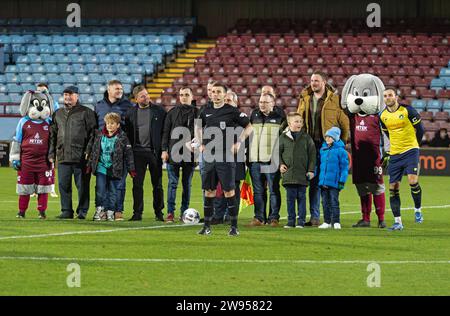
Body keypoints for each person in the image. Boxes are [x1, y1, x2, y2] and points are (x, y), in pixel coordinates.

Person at [196, 83, 253, 236]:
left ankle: (234, 227)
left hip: (226, 156)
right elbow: (198, 126)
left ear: (224, 94)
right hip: (209, 156)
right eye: (213, 92)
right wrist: (200, 142)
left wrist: (239, 141)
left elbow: (249, 127)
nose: (215, 94)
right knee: (209, 191)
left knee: (229, 191)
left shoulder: (232, 111)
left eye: (218, 92)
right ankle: (206, 227)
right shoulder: (205, 110)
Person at [296, 70, 349, 226]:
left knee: (325, 181)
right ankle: (314, 216)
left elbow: (344, 123)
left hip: (327, 146)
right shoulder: (305, 99)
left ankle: (325, 217)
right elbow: (299, 118)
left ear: (324, 82)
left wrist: (342, 142)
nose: (313, 83)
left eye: (317, 81)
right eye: (312, 80)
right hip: (309, 144)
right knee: (312, 180)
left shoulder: (335, 100)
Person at [49, 86, 97, 219]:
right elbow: (52, 135)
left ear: (77, 96)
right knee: (63, 185)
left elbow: (93, 133)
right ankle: (66, 211)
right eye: (65, 95)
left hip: (81, 156)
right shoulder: (57, 113)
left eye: (71, 94)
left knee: (82, 186)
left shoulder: (86, 112)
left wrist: (88, 150)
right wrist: (51, 153)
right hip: (63, 155)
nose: (68, 97)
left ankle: (82, 211)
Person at [381, 88, 425, 230]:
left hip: (411, 150)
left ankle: (417, 210)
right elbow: (387, 133)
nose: (388, 98)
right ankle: (398, 222)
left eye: (390, 95)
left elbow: (421, 128)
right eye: (385, 96)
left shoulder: (408, 110)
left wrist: (415, 144)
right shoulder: (382, 116)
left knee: (413, 180)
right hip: (395, 154)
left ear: (396, 97)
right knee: (393, 188)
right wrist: (390, 151)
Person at [125, 85, 166, 221]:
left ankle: (159, 213)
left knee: (158, 185)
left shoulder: (159, 111)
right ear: (136, 99)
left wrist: (164, 149)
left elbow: (165, 133)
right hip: (137, 154)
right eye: (142, 96)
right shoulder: (130, 113)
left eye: (147, 94)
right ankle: (137, 213)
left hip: (155, 153)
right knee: (137, 185)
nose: (146, 97)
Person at [10, 90, 54, 219]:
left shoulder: (49, 122)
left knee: (43, 188)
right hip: (26, 162)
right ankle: (21, 211)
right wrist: (15, 158)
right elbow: (17, 140)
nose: (40, 107)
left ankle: (42, 211)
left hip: (44, 162)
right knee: (24, 188)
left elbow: (53, 141)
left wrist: (52, 156)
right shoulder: (23, 121)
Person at [95, 79, 133, 220]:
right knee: (102, 185)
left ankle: (118, 210)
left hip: (119, 152)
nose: (119, 91)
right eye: (116, 89)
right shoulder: (99, 106)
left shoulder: (128, 106)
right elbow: (95, 128)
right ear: (109, 90)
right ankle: (103, 211)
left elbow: (131, 128)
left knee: (119, 184)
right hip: (102, 151)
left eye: (121, 89)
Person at [88, 113, 136, 221]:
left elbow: (128, 154)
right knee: (100, 190)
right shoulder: (99, 135)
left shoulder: (122, 137)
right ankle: (100, 210)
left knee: (113, 191)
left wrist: (131, 169)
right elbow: (94, 151)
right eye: (108, 123)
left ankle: (110, 211)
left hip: (115, 169)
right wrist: (89, 165)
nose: (109, 125)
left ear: (118, 125)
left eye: (112, 123)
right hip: (101, 167)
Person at [247, 93, 285, 227]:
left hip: (271, 160)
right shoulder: (254, 115)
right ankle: (259, 218)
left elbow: (283, 140)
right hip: (255, 159)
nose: (262, 104)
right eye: (261, 102)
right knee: (258, 191)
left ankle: (273, 218)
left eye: (266, 102)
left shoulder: (280, 117)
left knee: (274, 189)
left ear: (273, 103)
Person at [161, 87, 198, 222]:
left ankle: (184, 212)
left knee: (186, 184)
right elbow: (165, 133)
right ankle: (170, 213)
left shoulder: (198, 113)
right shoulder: (172, 112)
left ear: (191, 96)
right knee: (173, 183)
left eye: (186, 94)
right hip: (173, 153)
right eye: (181, 95)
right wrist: (164, 150)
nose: (183, 97)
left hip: (191, 154)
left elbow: (201, 134)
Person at [211, 90, 246, 224]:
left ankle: (231, 216)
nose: (226, 103)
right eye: (225, 101)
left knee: (233, 189)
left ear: (236, 103)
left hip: (235, 161)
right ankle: (218, 216)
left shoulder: (242, 120)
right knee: (220, 189)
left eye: (229, 101)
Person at [279, 113, 316, 228]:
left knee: (302, 199)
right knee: (290, 200)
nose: (299, 123)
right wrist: (280, 164)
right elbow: (277, 153)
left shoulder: (306, 138)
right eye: (296, 121)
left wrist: (311, 170)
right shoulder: (283, 138)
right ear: (289, 123)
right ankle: (290, 221)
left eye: (300, 121)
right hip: (288, 175)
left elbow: (312, 155)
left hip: (302, 175)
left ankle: (301, 222)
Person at [317, 127, 349, 230]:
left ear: (335, 138)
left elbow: (344, 168)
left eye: (330, 137)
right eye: (326, 136)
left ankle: (336, 221)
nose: (327, 139)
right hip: (323, 182)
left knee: (334, 202)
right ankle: (327, 221)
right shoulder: (323, 149)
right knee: (325, 202)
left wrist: (341, 181)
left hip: (334, 183)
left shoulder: (341, 151)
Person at [35, 82, 59, 198]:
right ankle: (34, 188)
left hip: (49, 138)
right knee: (34, 164)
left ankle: (52, 189)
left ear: (48, 92)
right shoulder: (32, 105)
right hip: (36, 137)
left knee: (50, 164)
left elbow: (57, 120)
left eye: (43, 91)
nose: (41, 93)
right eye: (39, 91)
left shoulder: (54, 104)